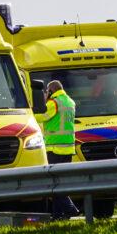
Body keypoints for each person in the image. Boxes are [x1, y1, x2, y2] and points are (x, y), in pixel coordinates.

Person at [39, 80, 79, 219]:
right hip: (68, 148)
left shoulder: (53, 103)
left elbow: (41, 117)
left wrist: (41, 104)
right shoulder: (70, 102)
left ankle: (71, 209)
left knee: (55, 183)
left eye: (47, 91)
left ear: (51, 91)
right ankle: (58, 215)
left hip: (55, 148)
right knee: (60, 182)